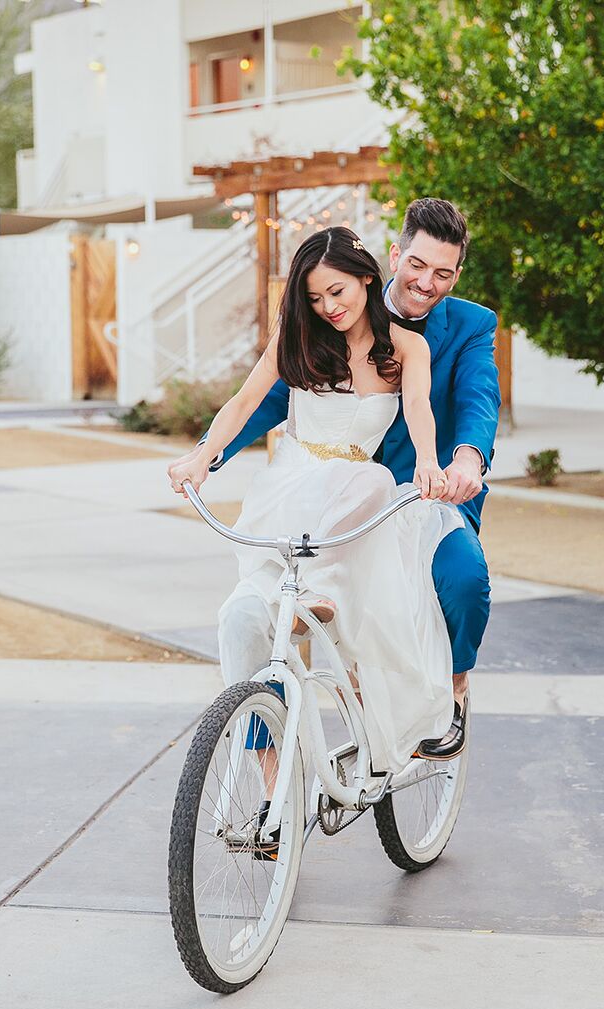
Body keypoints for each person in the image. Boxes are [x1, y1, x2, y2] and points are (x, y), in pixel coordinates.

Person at [170, 199, 500, 764]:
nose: (426, 282)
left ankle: (453, 687)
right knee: (256, 615)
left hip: (419, 490)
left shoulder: (462, 328)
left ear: (457, 273)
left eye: (443, 273)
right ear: (393, 257)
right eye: (417, 265)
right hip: (312, 489)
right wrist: (205, 453)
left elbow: (475, 399)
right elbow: (263, 398)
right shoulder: (317, 328)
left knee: (464, 580)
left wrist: (462, 460)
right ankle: (276, 764)